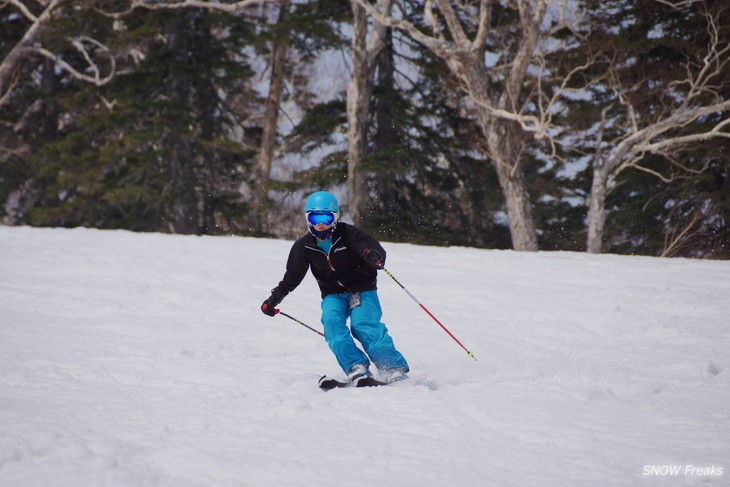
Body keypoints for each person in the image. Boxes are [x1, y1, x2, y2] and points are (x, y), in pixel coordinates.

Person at [261, 191, 409, 384]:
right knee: (331, 322)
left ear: (335, 218)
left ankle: (392, 366)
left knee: (363, 325)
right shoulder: (304, 246)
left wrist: (374, 255)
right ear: (308, 219)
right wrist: (274, 299)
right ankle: (355, 365)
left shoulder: (348, 234)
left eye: (326, 218)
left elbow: (370, 247)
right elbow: (292, 277)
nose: (320, 224)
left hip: (361, 288)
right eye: (315, 218)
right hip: (333, 294)